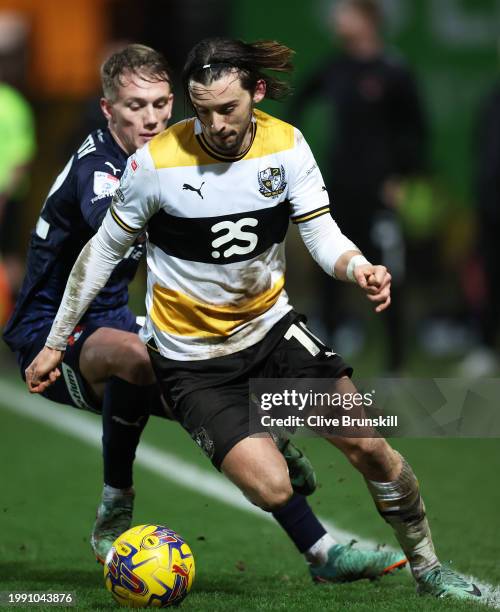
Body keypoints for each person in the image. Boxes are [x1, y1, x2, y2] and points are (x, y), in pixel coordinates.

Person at [24, 37, 481, 600]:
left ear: (256, 92)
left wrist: (357, 266)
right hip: (192, 365)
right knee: (272, 487)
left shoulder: (286, 146)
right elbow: (99, 254)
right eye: (203, 110)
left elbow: (318, 230)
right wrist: (51, 343)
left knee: (370, 446)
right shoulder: (154, 165)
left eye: (228, 109)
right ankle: (208, 478)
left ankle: (430, 568)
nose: (215, 124)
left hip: (273, 335)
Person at [291, 0, 428, 372]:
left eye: (345, 13)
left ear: (367, 20)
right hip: (340, 189)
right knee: (331, 269)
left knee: (387, 272)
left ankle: (396, 362)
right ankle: (328, 360)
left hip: (379, 193)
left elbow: (416, 132)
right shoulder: (336, 68)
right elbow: (300, 103)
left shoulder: (393, 70)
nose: (337, 19)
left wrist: (400, 177)